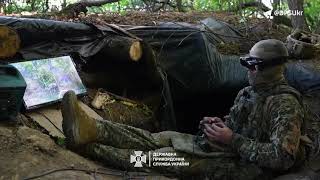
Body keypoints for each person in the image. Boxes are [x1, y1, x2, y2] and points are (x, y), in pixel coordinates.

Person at [61, 39, 307, 179]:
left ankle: (91, 147)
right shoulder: (248, 92)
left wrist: (233, 139)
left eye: (253, 65)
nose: (248, 70)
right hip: (221, 149)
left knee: (160, 158)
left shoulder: (284, 104)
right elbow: (235, 125)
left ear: (272, 68)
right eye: (246, 63)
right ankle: (93, 128)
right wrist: (219, 127)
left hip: (244, 167)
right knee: (159, 138)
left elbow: (282, 158)